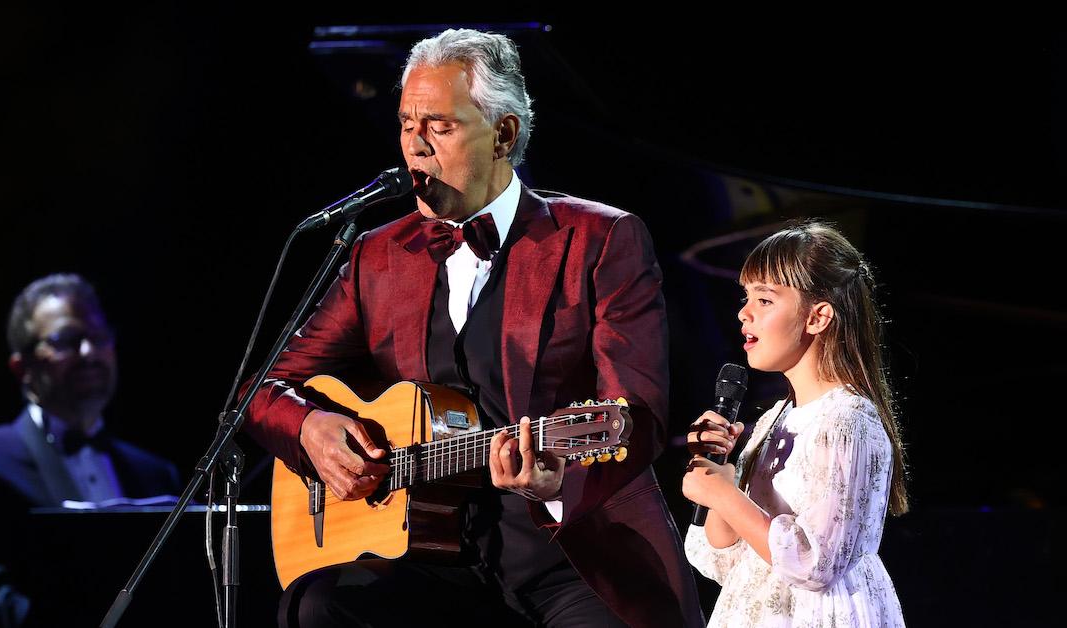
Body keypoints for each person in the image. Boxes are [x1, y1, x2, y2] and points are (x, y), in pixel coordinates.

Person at [244, 28, 704, 628]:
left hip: (571, 558)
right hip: (429, 557)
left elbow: (635, 416)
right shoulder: (377, 256)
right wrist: (311, 428)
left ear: (504, 135)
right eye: (407, 125)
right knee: (316, 605)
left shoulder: (599, 241)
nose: (416, 146)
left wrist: (554, 481)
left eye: (439, 125)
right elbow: (263, 390)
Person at [0, 273, 180, 627]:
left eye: (98, 337)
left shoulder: (155, 474)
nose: (89, 353)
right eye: (66, 341)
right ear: (22, 367)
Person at [682, 222, 908, 627]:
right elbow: (726, 557)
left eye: (764, 300)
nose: (743, 312)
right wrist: (720, 481)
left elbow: (815, 564)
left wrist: (728, 496)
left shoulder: (847, 421)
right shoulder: (774, 420)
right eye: (746, 296)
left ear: (818, 317)